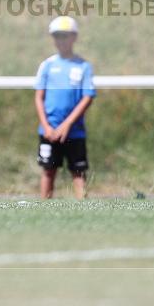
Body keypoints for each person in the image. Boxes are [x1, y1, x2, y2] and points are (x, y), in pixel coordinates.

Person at [34, 16, 96, 199]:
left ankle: (83, 207)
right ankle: (44, 208)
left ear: (74, 37)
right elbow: (38, 97)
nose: (61, 40)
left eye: (65, 35)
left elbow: (88, 97)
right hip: (49, 129)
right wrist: (46, 126)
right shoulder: (47, 65)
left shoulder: (83, 67)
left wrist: (67, 125)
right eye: (57, 36)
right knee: (48, 170)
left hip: (74, 131)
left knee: (78, 171)